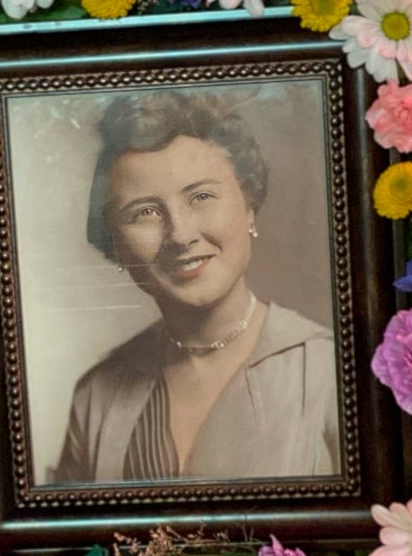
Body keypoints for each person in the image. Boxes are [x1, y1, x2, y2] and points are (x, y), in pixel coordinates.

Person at [52, 90, 340, 484]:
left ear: (249, 207)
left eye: (201, 196)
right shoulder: (97, 396)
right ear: (116, 243)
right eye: (146, 212)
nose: (181, 235)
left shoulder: (329, 372)